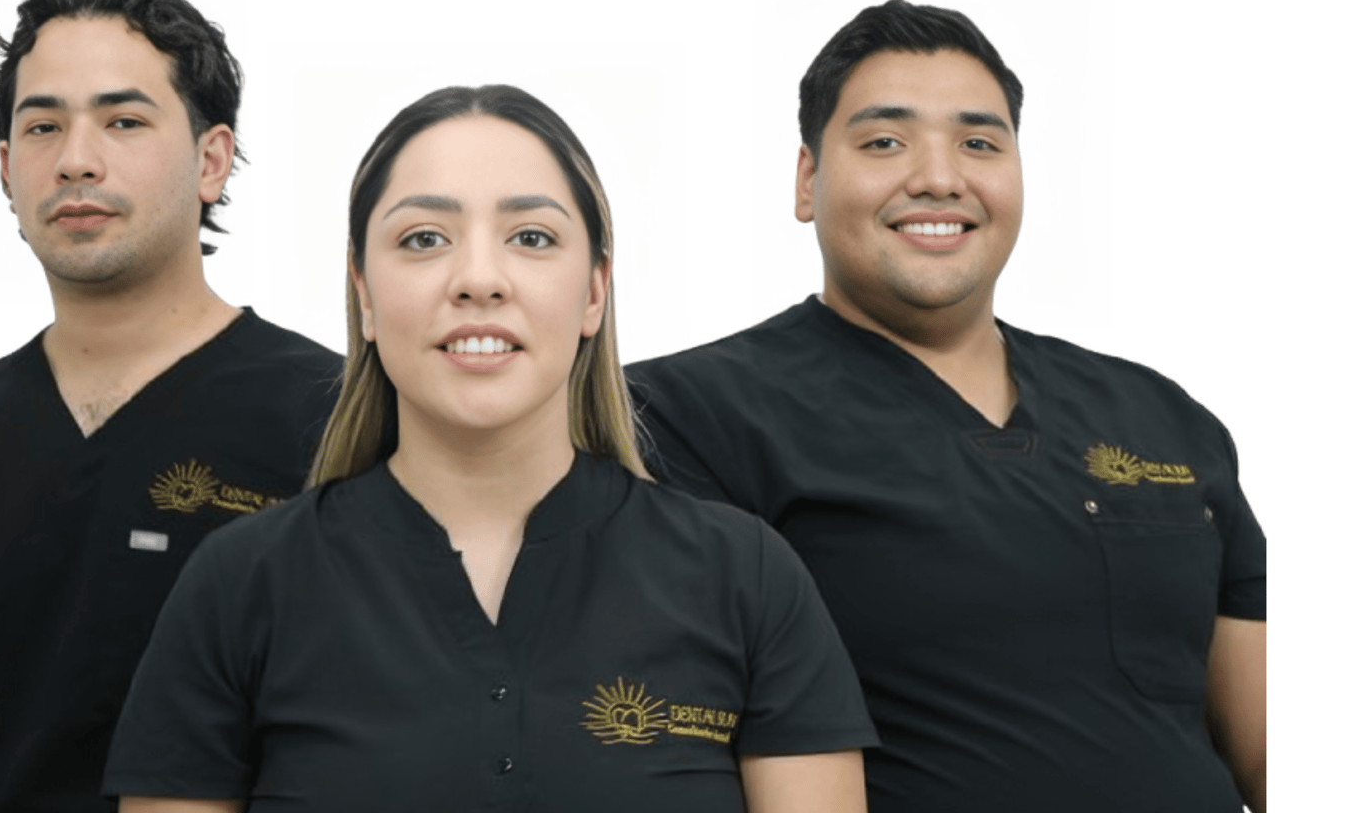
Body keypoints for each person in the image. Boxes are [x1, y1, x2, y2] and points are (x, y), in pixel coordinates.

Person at [103, 85, 878, 812]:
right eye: (425, 238)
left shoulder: (747, 578)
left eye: (532, 237)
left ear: (595, 291)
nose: (479, 279)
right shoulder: (240, 584)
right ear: (365, 293)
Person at [627, 0, 1267, 812]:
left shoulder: (1162, 415)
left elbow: (1269, 749)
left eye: (978, 142)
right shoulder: (684, 415)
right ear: (807, 180)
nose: (939, 176)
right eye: (885, 142)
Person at [0, 0, 342, 813]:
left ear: (211, 159)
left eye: (124, 122)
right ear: (8, 169)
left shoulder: (340, 421)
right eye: (43, 126)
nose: (77, 159)